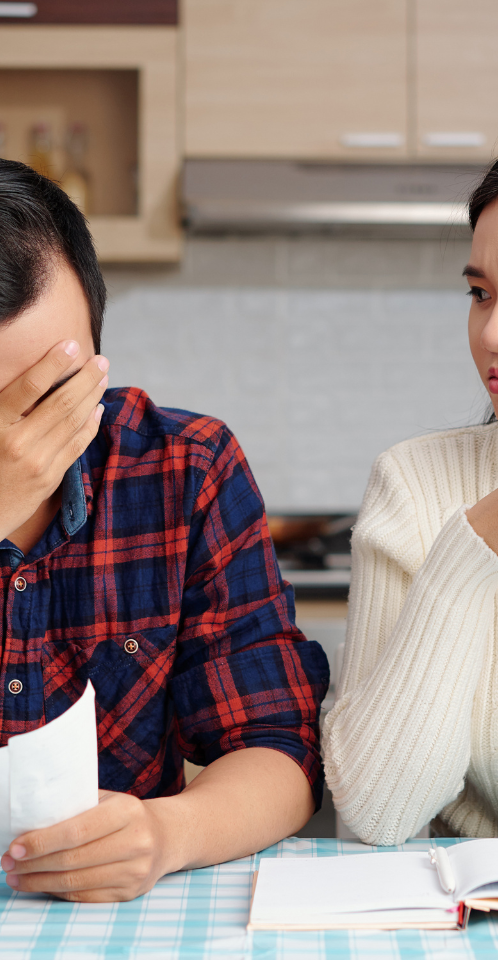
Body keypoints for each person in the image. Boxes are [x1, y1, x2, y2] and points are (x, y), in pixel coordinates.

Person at [0, 160, 329, 901]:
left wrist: (167, 833)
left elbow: (276, 743)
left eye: (53, 394)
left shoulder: (185, 469)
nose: (25, 443)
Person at [323, 133, 498, 844]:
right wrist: (468, 556)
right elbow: (377, 814)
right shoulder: (414, 484)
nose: (495, 332)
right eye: (480, 294)